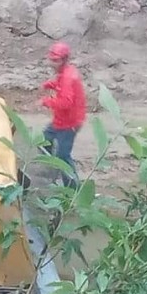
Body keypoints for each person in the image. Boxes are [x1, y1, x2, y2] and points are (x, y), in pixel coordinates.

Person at [41, 42, 86, 188]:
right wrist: (51, 84)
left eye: (55, 61)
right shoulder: (66, 72)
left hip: (69, 123)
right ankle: (50, 168)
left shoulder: (68, 77)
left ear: (64, 60)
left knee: (63, 156)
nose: (52, 64)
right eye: (51, 60)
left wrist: (47, 101)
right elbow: (62, 85)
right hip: (60, 120)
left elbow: (66, 102)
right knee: (44, 140)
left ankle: (73, 188)